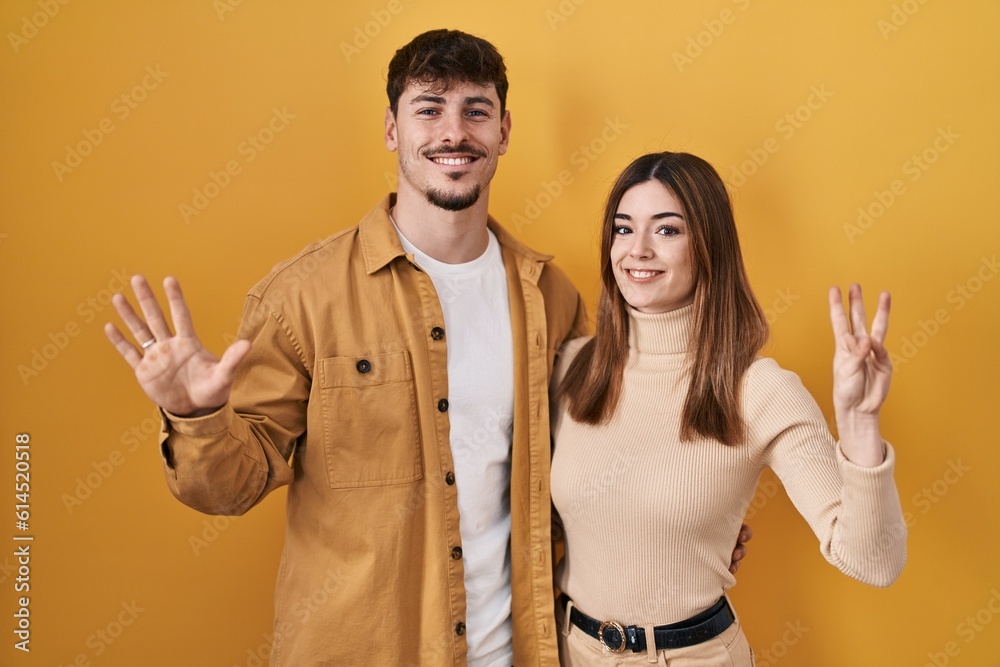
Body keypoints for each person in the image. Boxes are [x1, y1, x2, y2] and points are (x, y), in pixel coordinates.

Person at [104, 31, 749, 666]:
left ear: (503, 132)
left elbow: (603, 453)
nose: (454, 131)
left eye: (476, 109)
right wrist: (197, 417)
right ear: (392, 128)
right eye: (429, 108)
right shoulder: (303, 297)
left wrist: (687, 527)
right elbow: (229, 490)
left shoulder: (552, 298)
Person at [550, 152, 907, 665]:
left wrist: (861, 426)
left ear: (708, 247)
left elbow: (874, 562)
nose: (638, 250)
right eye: (623, 229)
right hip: (569, 651)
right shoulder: (572, 367)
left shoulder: (760, 391)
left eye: (668, 230)